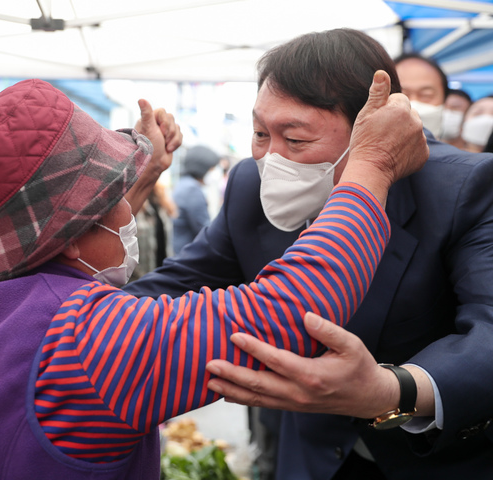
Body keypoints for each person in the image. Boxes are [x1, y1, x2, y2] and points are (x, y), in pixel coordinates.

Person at [0, 77, 427, 479]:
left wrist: (131, 181)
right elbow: (292, 307)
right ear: (71, 234)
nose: (130, 213)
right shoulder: (90, 344)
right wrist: (371, 163)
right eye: (117, 201)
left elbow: (66, 256)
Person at [126, 28, 493, 479]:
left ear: (371, 126)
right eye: (261, 133)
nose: (271, 159)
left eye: (296, 140)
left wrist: (391, 389)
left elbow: (487, 333)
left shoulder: (465, 187)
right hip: (311, 460)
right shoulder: (248, 185)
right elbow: (174, 286)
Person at [171, 145, 220, 254]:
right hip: (187, 254)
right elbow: (204, 228)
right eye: (212, 169)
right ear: (202, 168)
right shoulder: (192, 190)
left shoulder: (183, 183)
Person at [394, 52, 448, 138]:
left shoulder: (454, 152)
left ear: (445, 99)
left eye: (426, 95)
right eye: (403, 95)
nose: (413, 105)